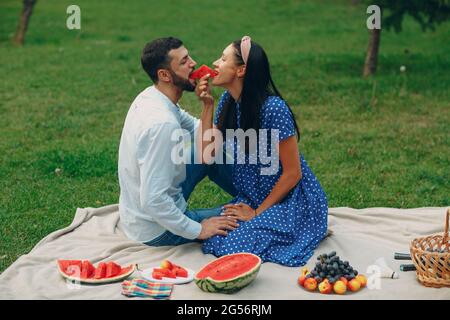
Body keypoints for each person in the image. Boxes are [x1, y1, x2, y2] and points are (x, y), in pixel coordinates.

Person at [196, 36, 328, 266]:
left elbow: (293, 173)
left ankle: (291, 228)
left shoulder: (273, 109)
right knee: (214, 236)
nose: (216, 63)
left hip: (292, 201)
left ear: (241, 70)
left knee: (231, 247)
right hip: (254, 197)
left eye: (223, 58)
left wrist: (257, 213)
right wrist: (207, 106)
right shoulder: (228, 102)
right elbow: (206, 155)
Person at [118, 37, 238, 247]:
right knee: (243, 216)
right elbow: (153, 200)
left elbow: (203, 134)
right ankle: (257, 204)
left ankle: (256, 195)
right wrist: (198, 229)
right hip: (156, 229)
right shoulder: (162, 125)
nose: (192, 63)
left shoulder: (152, 97)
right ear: (164, 75)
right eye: (183, 62)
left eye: (188, 56)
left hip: (141, 210)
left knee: (210, 151)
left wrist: (208, 106)